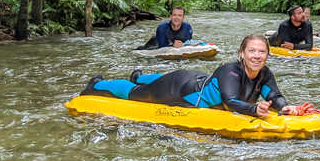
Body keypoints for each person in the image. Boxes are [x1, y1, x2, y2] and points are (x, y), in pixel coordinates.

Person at [83, 34, 302, 117]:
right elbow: (230, 102)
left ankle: (139, 75)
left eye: (261, 52)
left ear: (267, 55)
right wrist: (254, 109)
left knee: (154, 81)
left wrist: (284, 107)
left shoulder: (265, 74)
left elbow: (274, 95)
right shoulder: (231, 71)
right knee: (137, 94)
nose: (257, 56)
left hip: (196, 78)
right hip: (181, 89)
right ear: (242, 54)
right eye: (252, 51)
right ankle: (98, 84)